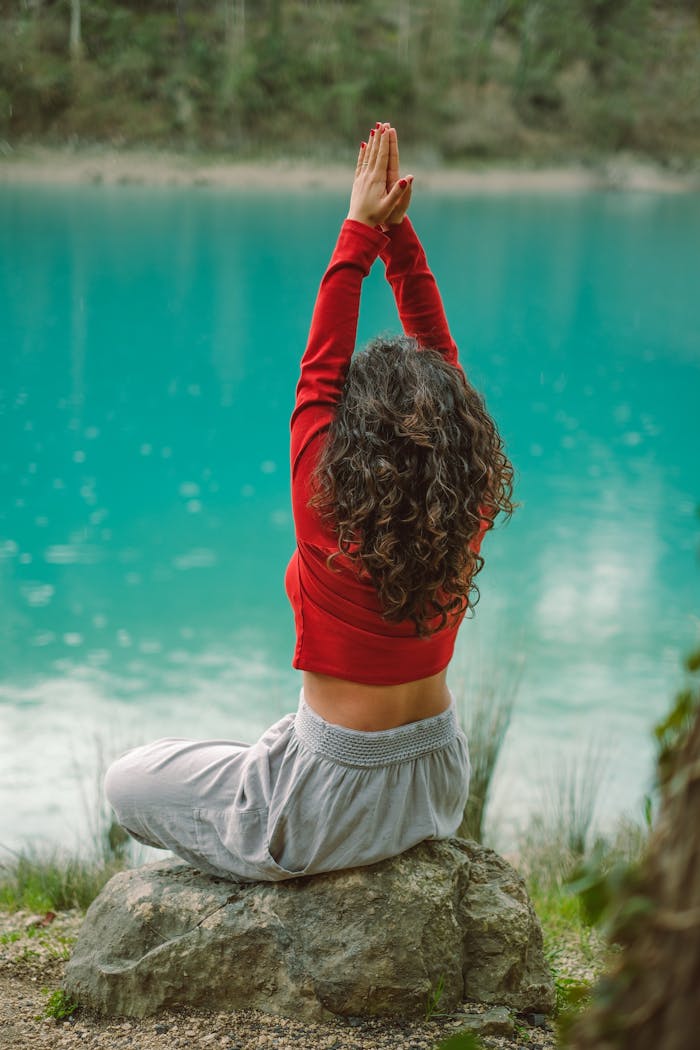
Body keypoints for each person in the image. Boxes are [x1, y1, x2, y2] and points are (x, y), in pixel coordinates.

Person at [104, 122, 514, 881]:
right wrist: (390, 238)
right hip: (436, 783)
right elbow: (438, 361)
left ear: (354, 434)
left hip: (325, 803)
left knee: (128, 779)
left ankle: (267, 789)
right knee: (249, 751)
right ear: (456, 428)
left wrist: (364, 228)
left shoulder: (323, 502)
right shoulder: (470, 499)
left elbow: (318, 372)